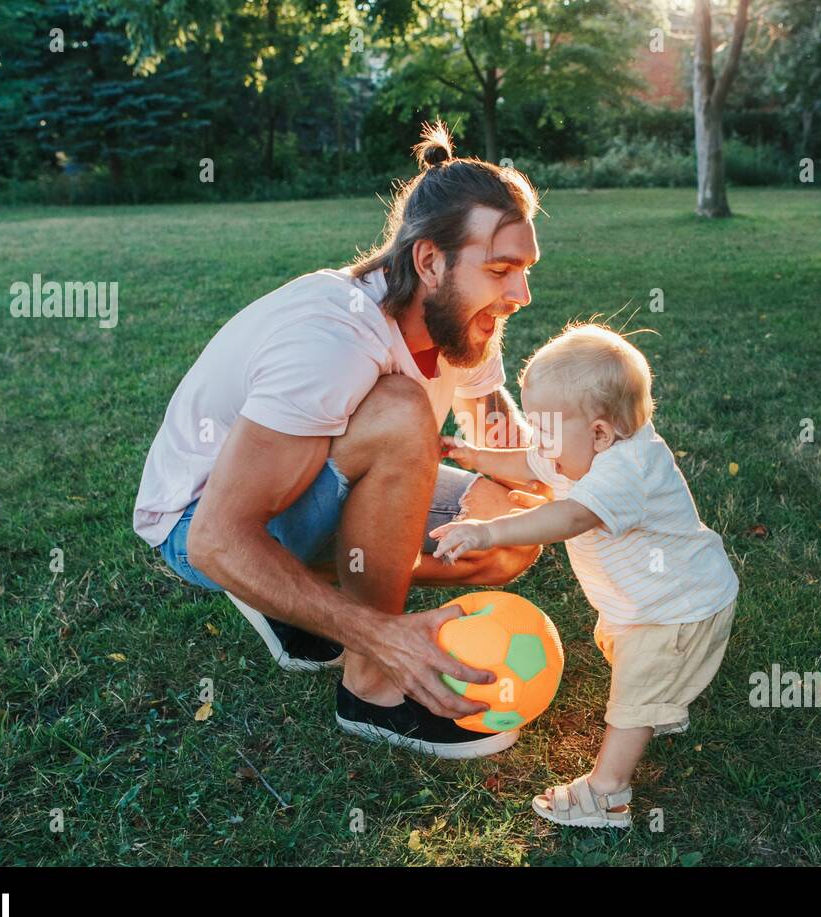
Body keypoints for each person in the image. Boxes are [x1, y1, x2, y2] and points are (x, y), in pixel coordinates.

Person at [133, 121, 547, 758]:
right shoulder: (332, 340)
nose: (520, 295)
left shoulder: (463, 322)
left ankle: (290, 600)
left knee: (512, 532)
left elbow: (509, 445)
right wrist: (385, 635)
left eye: (523, 270)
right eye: (500, 270)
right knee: (402, 412)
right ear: (430, 260)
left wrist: (585, 491)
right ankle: (370, 688)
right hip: (202, 526)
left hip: (301, 499)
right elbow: (218, 538)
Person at [432, 323, 739, 823]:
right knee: (628, 661)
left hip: (678, 610)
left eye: (544, 428)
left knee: (632, 701)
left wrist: (490, 532)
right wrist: (475, 456)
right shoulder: (572, 447)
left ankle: (607, 793)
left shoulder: (628, 467)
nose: (538, 440)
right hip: (640, 604)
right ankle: (659, 700)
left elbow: (572, 516)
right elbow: (530, 463)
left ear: (600, 432)